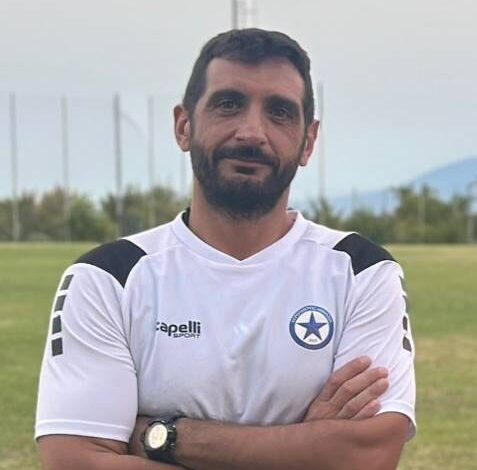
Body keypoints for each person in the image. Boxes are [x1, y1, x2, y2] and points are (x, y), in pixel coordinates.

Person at [36, 28, 416, 470]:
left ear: (308, 141)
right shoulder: (107, 278)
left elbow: (367, 455)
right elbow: (74, 460)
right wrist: (305, 445)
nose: (252, 132)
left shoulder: (361, 272)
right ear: (184, 126)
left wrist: (162, 436)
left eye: (279, 112)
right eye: (228, 104)